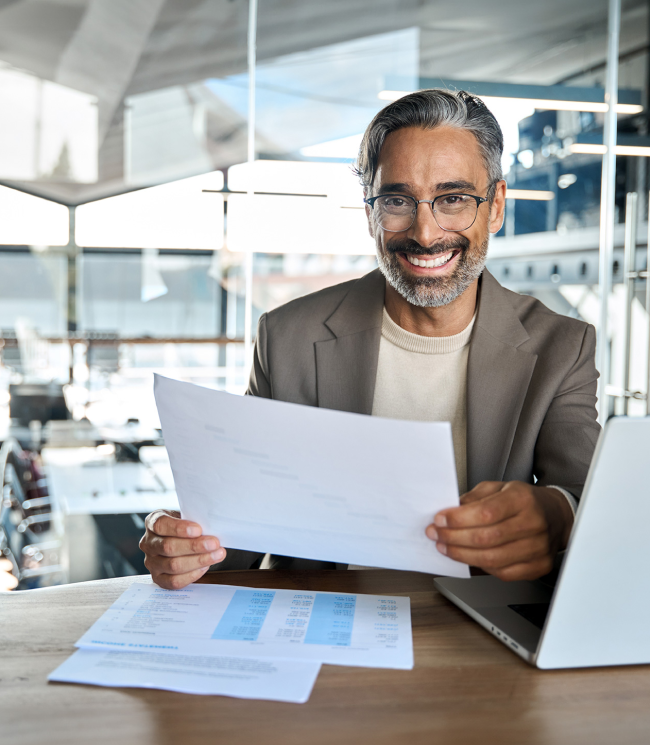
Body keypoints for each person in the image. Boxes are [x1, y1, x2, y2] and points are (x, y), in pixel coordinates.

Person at [141, 89, 601, 590]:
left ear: (495, 207)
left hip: (476, 627)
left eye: (453, 199)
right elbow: (246, 518)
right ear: (369, 213)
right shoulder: (288, 336)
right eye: (398, 201)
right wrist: (188, 543)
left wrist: (556, 513)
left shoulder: (562, 346)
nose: (426, 233)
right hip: (321, 620)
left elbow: (588, 499)